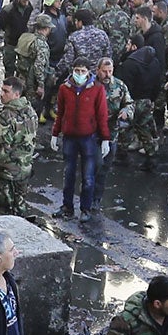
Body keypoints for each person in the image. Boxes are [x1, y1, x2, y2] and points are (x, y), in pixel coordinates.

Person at [54, 58, 110, 217]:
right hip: (69, 137)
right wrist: (55, 133)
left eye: (83, 71)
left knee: (88, 177)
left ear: (88, 72)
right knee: (69, 174)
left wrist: (105, 138)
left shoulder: (97, 89)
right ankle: (67, 206)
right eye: (77, 70)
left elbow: (102, 115)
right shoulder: (64, 89)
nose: (79, 74)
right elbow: (60, 113)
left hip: (88, 138)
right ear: (72, 70)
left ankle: (85, 209)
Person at [0, 77, 38, 217]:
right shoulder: (31, 112)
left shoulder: (6, 116)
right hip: (24, 172)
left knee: (1, 215)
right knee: (20, 212)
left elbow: (0, 148)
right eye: (2, 90)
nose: (1, 94)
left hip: (6, 174)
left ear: (16, 94)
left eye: (6, 91)